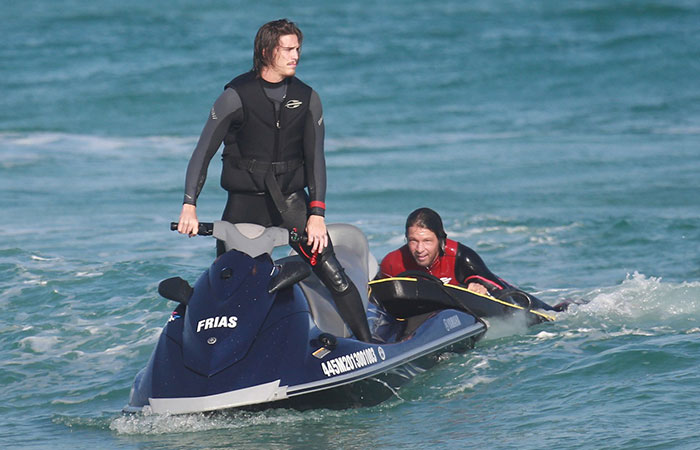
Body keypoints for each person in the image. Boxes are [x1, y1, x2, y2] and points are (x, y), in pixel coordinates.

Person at [176, 19, 372, 341]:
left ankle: (368, 343)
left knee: (333, 274)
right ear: (267, 52)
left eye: (298, 49)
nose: (296, 55)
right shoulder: (235, 96)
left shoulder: (308, 98)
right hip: (243, 207)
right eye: (289, 49)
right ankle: (218, 351)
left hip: (292, 203)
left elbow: (316, 160)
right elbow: (203, 151)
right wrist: (189, 205)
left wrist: (317, 215)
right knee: (230, 283)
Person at [379, 207, 555, 310]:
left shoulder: (460, 257)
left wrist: (482, 291)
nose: (419, 249)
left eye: (427, 241)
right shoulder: (393, 263)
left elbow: (503, 291)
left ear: (441, 240)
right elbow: (375, 301)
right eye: (413, 241)